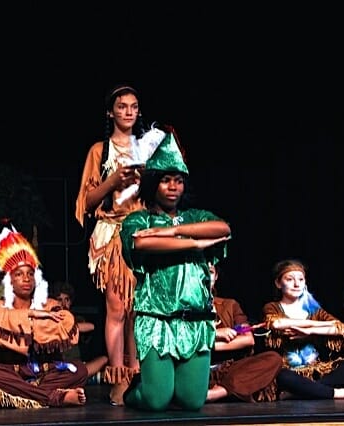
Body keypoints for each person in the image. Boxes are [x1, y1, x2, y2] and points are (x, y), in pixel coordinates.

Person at [119, 132, 231, 412]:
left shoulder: (195, 217)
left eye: (178, 181)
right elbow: (142, 243)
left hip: (195, 320)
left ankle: (161, 384)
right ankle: (135, 391)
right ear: (153, 184)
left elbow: (223, 229)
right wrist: (195, 243)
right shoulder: (139, 219)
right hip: (157, 320)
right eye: (166, 180)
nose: (173, 187)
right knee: (156, 401)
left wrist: (174, 231)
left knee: (192, 402)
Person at [75, 83, 159, 405]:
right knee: (117, 308)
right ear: (110, 112)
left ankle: (136, 372)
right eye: (122, 106)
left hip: (142, 233)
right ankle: (118, 378)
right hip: (112, 233)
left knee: (138, 308)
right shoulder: (100, 151)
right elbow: (86, 201)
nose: (128, 112)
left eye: (134, 107)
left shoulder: (147, 148)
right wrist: (112, 182)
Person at [0, 223, 88, 408]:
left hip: (45, 373)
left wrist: (17, 331)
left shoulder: (50, 305)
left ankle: (16, 396)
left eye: (30, 274)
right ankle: (54, 397)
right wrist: (34, 317)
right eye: (19, 274)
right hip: (12, 372)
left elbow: (67, 324)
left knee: (79, 370)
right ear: (10, 280)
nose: (26, 279)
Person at [262, 259, 344, 400]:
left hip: (317, 370)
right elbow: (277, 323)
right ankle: (339, 393)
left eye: (301, 279)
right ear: (278, 283)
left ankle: (299, 393)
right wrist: (316, 324)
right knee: (283, 376)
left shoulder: (315, 310)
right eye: (290, 279)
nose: (297, 284)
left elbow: (340, 328)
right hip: (289, 371)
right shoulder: (272, 307)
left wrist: (310, 331)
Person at [206, 263, 284, 403]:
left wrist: (209, 344)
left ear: (216, 276)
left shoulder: (230, 305)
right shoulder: (181, 308)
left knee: (273, 358)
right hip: (198, 367)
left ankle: (216, 393)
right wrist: (214, 334)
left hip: (228, 368)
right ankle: (230, 391)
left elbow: (248, 339)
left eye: (210, 272)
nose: (205, 276)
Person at [50, 281, 108, 382]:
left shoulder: (73, 319)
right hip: (57, 369)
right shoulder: (48, 320)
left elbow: (91, 326)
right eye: (59, 300)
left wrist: (73, 327)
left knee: (104, 358)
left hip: (76, 368)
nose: (63, 304)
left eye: (67, 300)